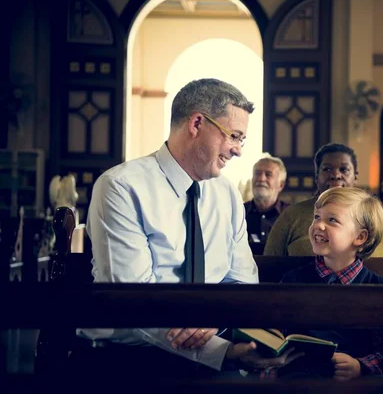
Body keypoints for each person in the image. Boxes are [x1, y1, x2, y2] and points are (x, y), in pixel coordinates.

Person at [75, 78, 297, 378]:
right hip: (131, 360)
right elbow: (132, 300)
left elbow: (243, 284)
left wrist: (216, 325)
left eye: (241, 140)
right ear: (196, 124)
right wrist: (221, 352)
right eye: (234, 136)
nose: (237, 151)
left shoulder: (227, 194)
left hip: (215, 352)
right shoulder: (121, 187)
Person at [272, 187, 383, 381]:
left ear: (359, 237)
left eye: (332, 220)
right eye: (317, 217)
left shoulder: (377, 288)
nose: (319, 225)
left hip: (353, 387)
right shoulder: (293, 280)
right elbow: (274, 343)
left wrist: (360, 367)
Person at [264, 143, 383, 257]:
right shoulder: (292, 215)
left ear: (355, 177)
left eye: (344, 169)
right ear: (317, 176)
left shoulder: (376, 218)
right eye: (327, 169)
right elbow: (269, 265)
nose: (335, 175)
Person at [244, 156, 290, 247]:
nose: (261, 179)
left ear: (281, 185)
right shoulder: (238, 213)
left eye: (268, 174)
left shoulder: (291, 215)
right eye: (257, 173)